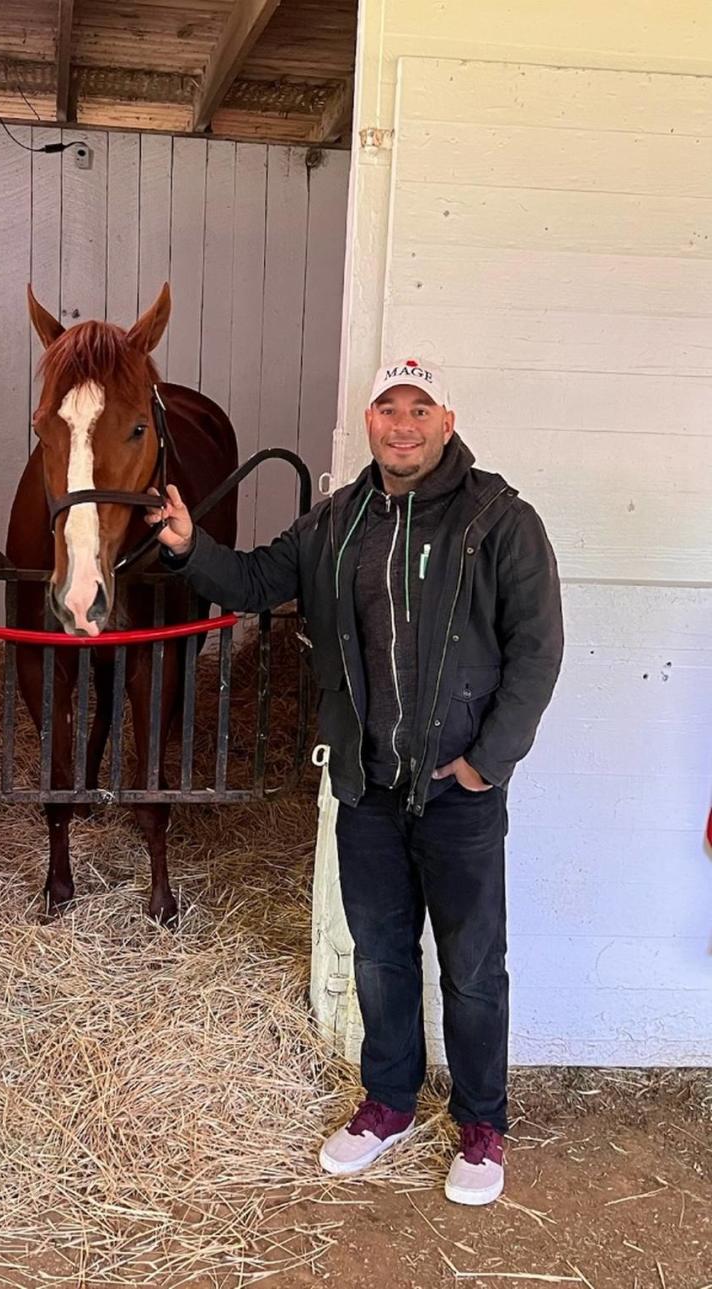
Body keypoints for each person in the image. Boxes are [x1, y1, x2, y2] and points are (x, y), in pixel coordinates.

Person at [146, 358, 563, 1206]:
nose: (401, 425)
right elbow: (262, 580)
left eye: (419, 409)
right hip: (368, 785)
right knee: (378, 957)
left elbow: (538, 647)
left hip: (460, 793)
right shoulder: (338, 521)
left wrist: (488, 761)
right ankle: (389, 1101)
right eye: (386, 409)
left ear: (447, 420)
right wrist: (191, 548)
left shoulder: (500, 520)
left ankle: (483, 1122)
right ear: (368, 423)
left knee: (474, 966)